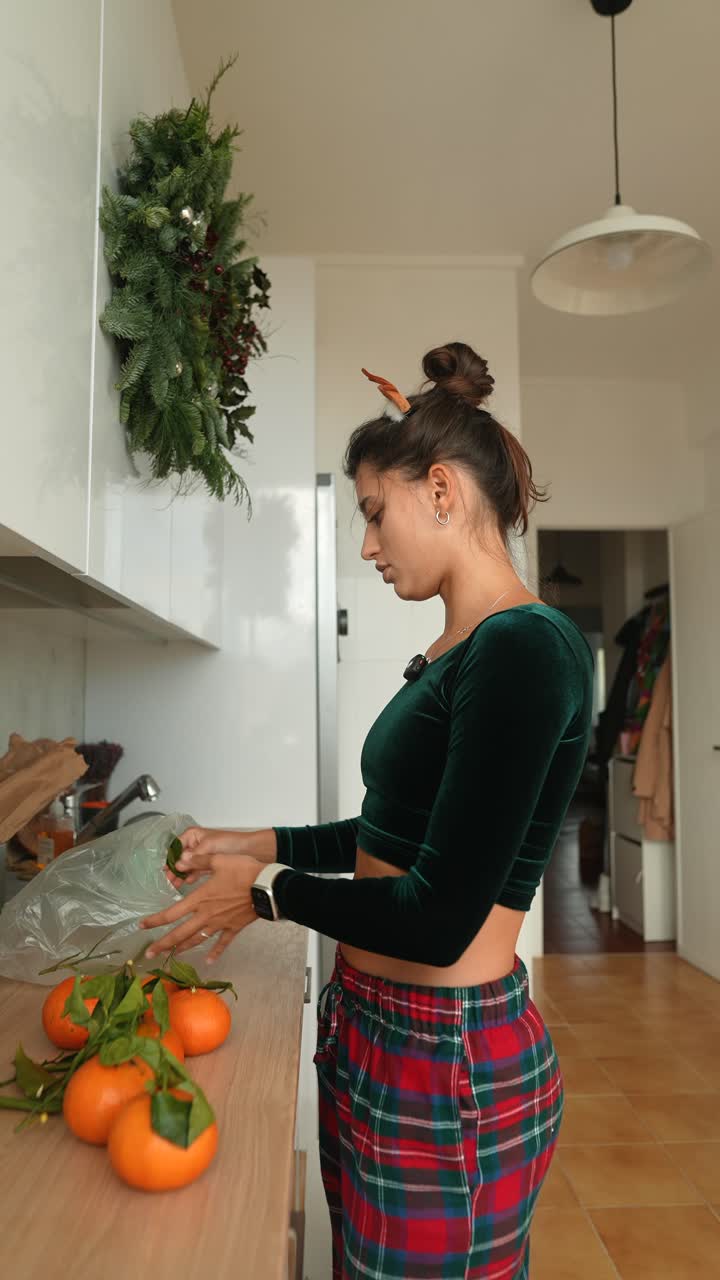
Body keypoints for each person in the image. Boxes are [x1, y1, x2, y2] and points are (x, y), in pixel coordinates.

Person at [142, 341, 595, 1280]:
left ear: (440, 490)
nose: (366, 545)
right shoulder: (460, 650)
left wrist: (264, 890)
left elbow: (435, 917)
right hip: (381, 1030)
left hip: (447, 1058)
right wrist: (250, 842)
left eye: (373, 511)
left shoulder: (526, 650)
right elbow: (390, 835)